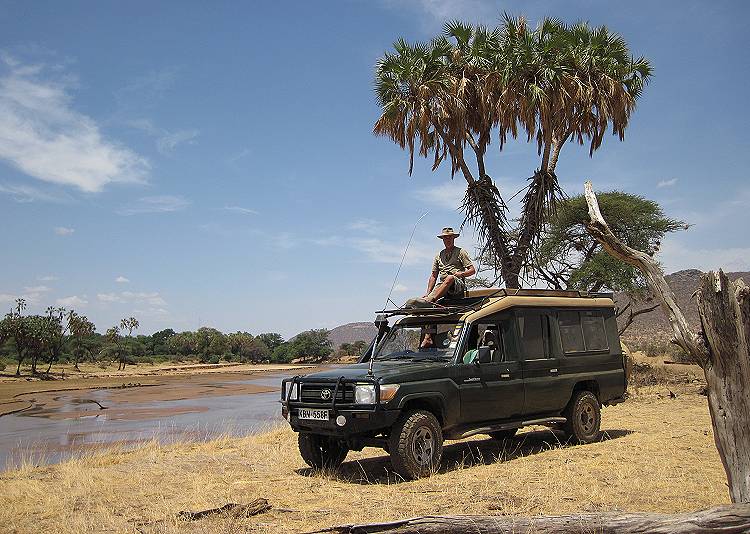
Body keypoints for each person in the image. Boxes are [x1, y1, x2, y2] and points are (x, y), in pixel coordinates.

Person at [424, 227, 476, 303]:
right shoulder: (439, 255)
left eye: (450, 237)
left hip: (457, 284)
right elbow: (433, 276)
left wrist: (461, 274)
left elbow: (472, 271)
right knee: (421, 301)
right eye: (445, 237)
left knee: (450, 278)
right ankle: (429, 299)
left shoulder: (461, 252)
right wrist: (428, 292)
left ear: (453, 238)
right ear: (443, 239)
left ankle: (433, 300)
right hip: (442, 284)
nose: (448, 240)